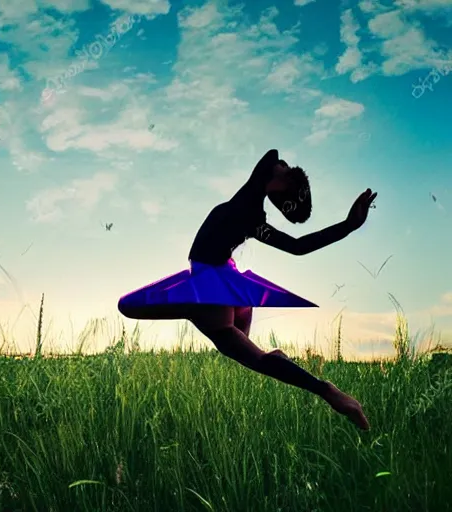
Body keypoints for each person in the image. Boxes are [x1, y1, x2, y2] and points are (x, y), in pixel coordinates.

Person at [118, 149, 376, 430]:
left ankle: (326, 390)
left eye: (284, 167)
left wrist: (347, 225)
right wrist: (340, 222)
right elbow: (295, 236)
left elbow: (297, 244)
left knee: (128, 306)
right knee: (250, 351)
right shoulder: (253, 212)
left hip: (211, 287)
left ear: (279, 185)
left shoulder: (250, 212)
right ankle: (279, 362)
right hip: (229, 280)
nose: (279, 160)